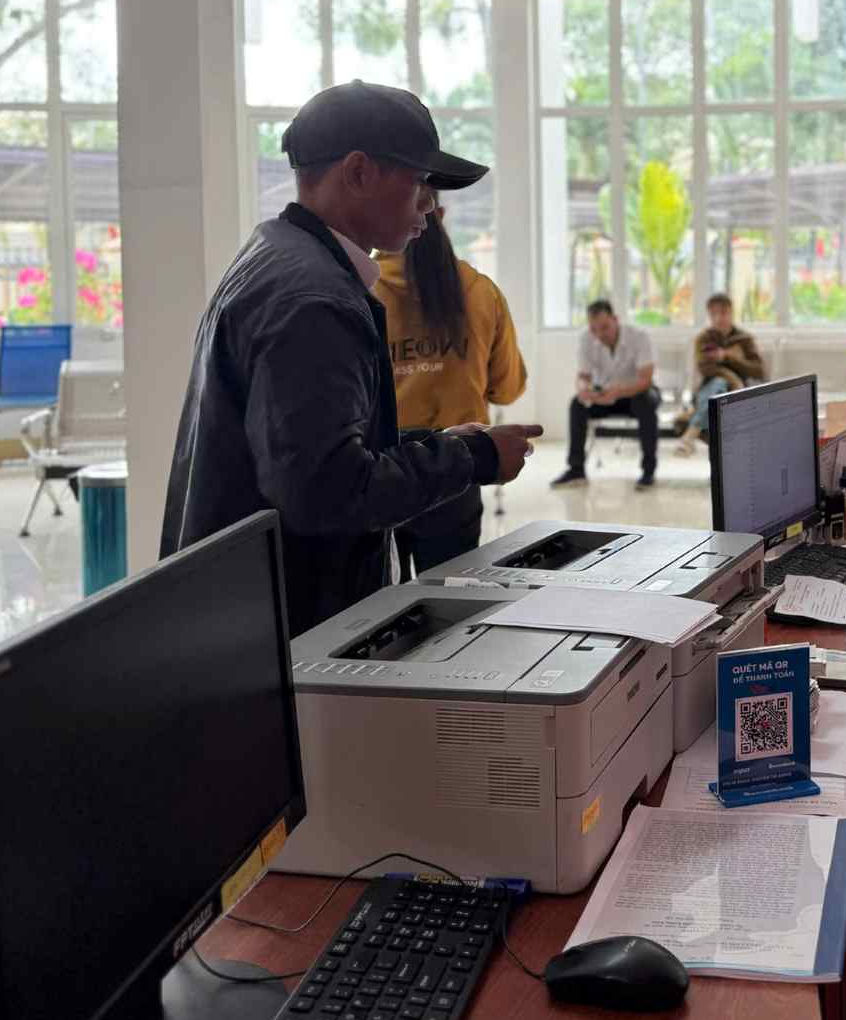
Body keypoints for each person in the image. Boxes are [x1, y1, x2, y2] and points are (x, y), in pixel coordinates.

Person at [161, 81, 541, 635]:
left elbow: (307, 448)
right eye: (419, 183)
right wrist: (473, 458)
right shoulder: (313, 301)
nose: (430, 206)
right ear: (359, 172)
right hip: (284, 626)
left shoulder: (280, 258)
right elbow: (329, 493)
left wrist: (443, 442)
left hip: (248, 608)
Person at [371, 201, 528, 571]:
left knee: (380, 600)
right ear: (438, 214)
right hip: (457, 467)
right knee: (451, 597)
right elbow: (507, 389)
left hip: (381, 473)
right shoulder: (481, 292)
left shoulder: (361, 289)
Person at [552, 301, 659, 489]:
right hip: (604, 394)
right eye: (594, 329)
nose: (600, 334)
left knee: (647, 402)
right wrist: (584, 390)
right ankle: (576, 470)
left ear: (615, 320)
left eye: (604, 327)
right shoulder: (586, 339)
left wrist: (618, 391)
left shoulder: (639, 337)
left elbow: (645, 379)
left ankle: (648, 471)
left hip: (636, 392)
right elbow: (583, 377)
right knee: (577, 405)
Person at [678, 293, 766, 454]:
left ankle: (691, 434)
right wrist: (733, 379)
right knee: (718, 384)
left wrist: (727, 356)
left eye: (723, 312)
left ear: (731, 312)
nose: (719, 318)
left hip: (740, 392)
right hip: (709, 389)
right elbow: (705, 368)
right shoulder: (703, 339)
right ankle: (696, 432)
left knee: (720, 391)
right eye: (714, 314)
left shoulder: (745, 339)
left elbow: (758, 370)